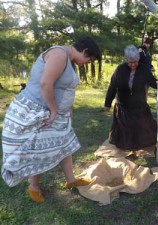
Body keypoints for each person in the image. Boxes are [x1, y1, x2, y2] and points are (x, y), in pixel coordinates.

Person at [1, 36, 101, 203]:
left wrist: (68, 111)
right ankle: (33, 187)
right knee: (41, 150)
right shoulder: (59, 54)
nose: (87, 63)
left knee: (64, 143)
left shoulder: (69, 60)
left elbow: (64, 88)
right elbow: (45, 83)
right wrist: (54, 111)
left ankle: (71, 180)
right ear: (85, 51)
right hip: (36, 109)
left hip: (55, 112)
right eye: (89, 60)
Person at [104, 45, 158, 150]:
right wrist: (107, 104)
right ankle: (126, 146)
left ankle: (142, 145)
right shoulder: (120, 70)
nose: (133, 64)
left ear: (138, 59)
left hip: (139, 104)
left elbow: (153, 82)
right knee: (125, 128)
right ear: (126, 60)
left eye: (135, 62)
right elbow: (112, 87)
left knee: (143, 126)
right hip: (123, 105)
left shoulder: (144, 69)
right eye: (130, 62)